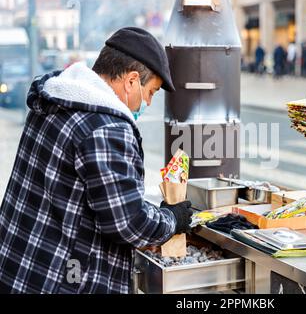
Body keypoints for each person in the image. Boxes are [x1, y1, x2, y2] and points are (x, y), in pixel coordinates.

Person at [0, 27, 193, 294]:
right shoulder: (106, 127)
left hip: (20, 266)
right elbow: (127, 223)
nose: (147, 101)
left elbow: (89, 192)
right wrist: (171, 219)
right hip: (59, 281)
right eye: (151, 91)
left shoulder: (58, 99)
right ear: (132, 80)